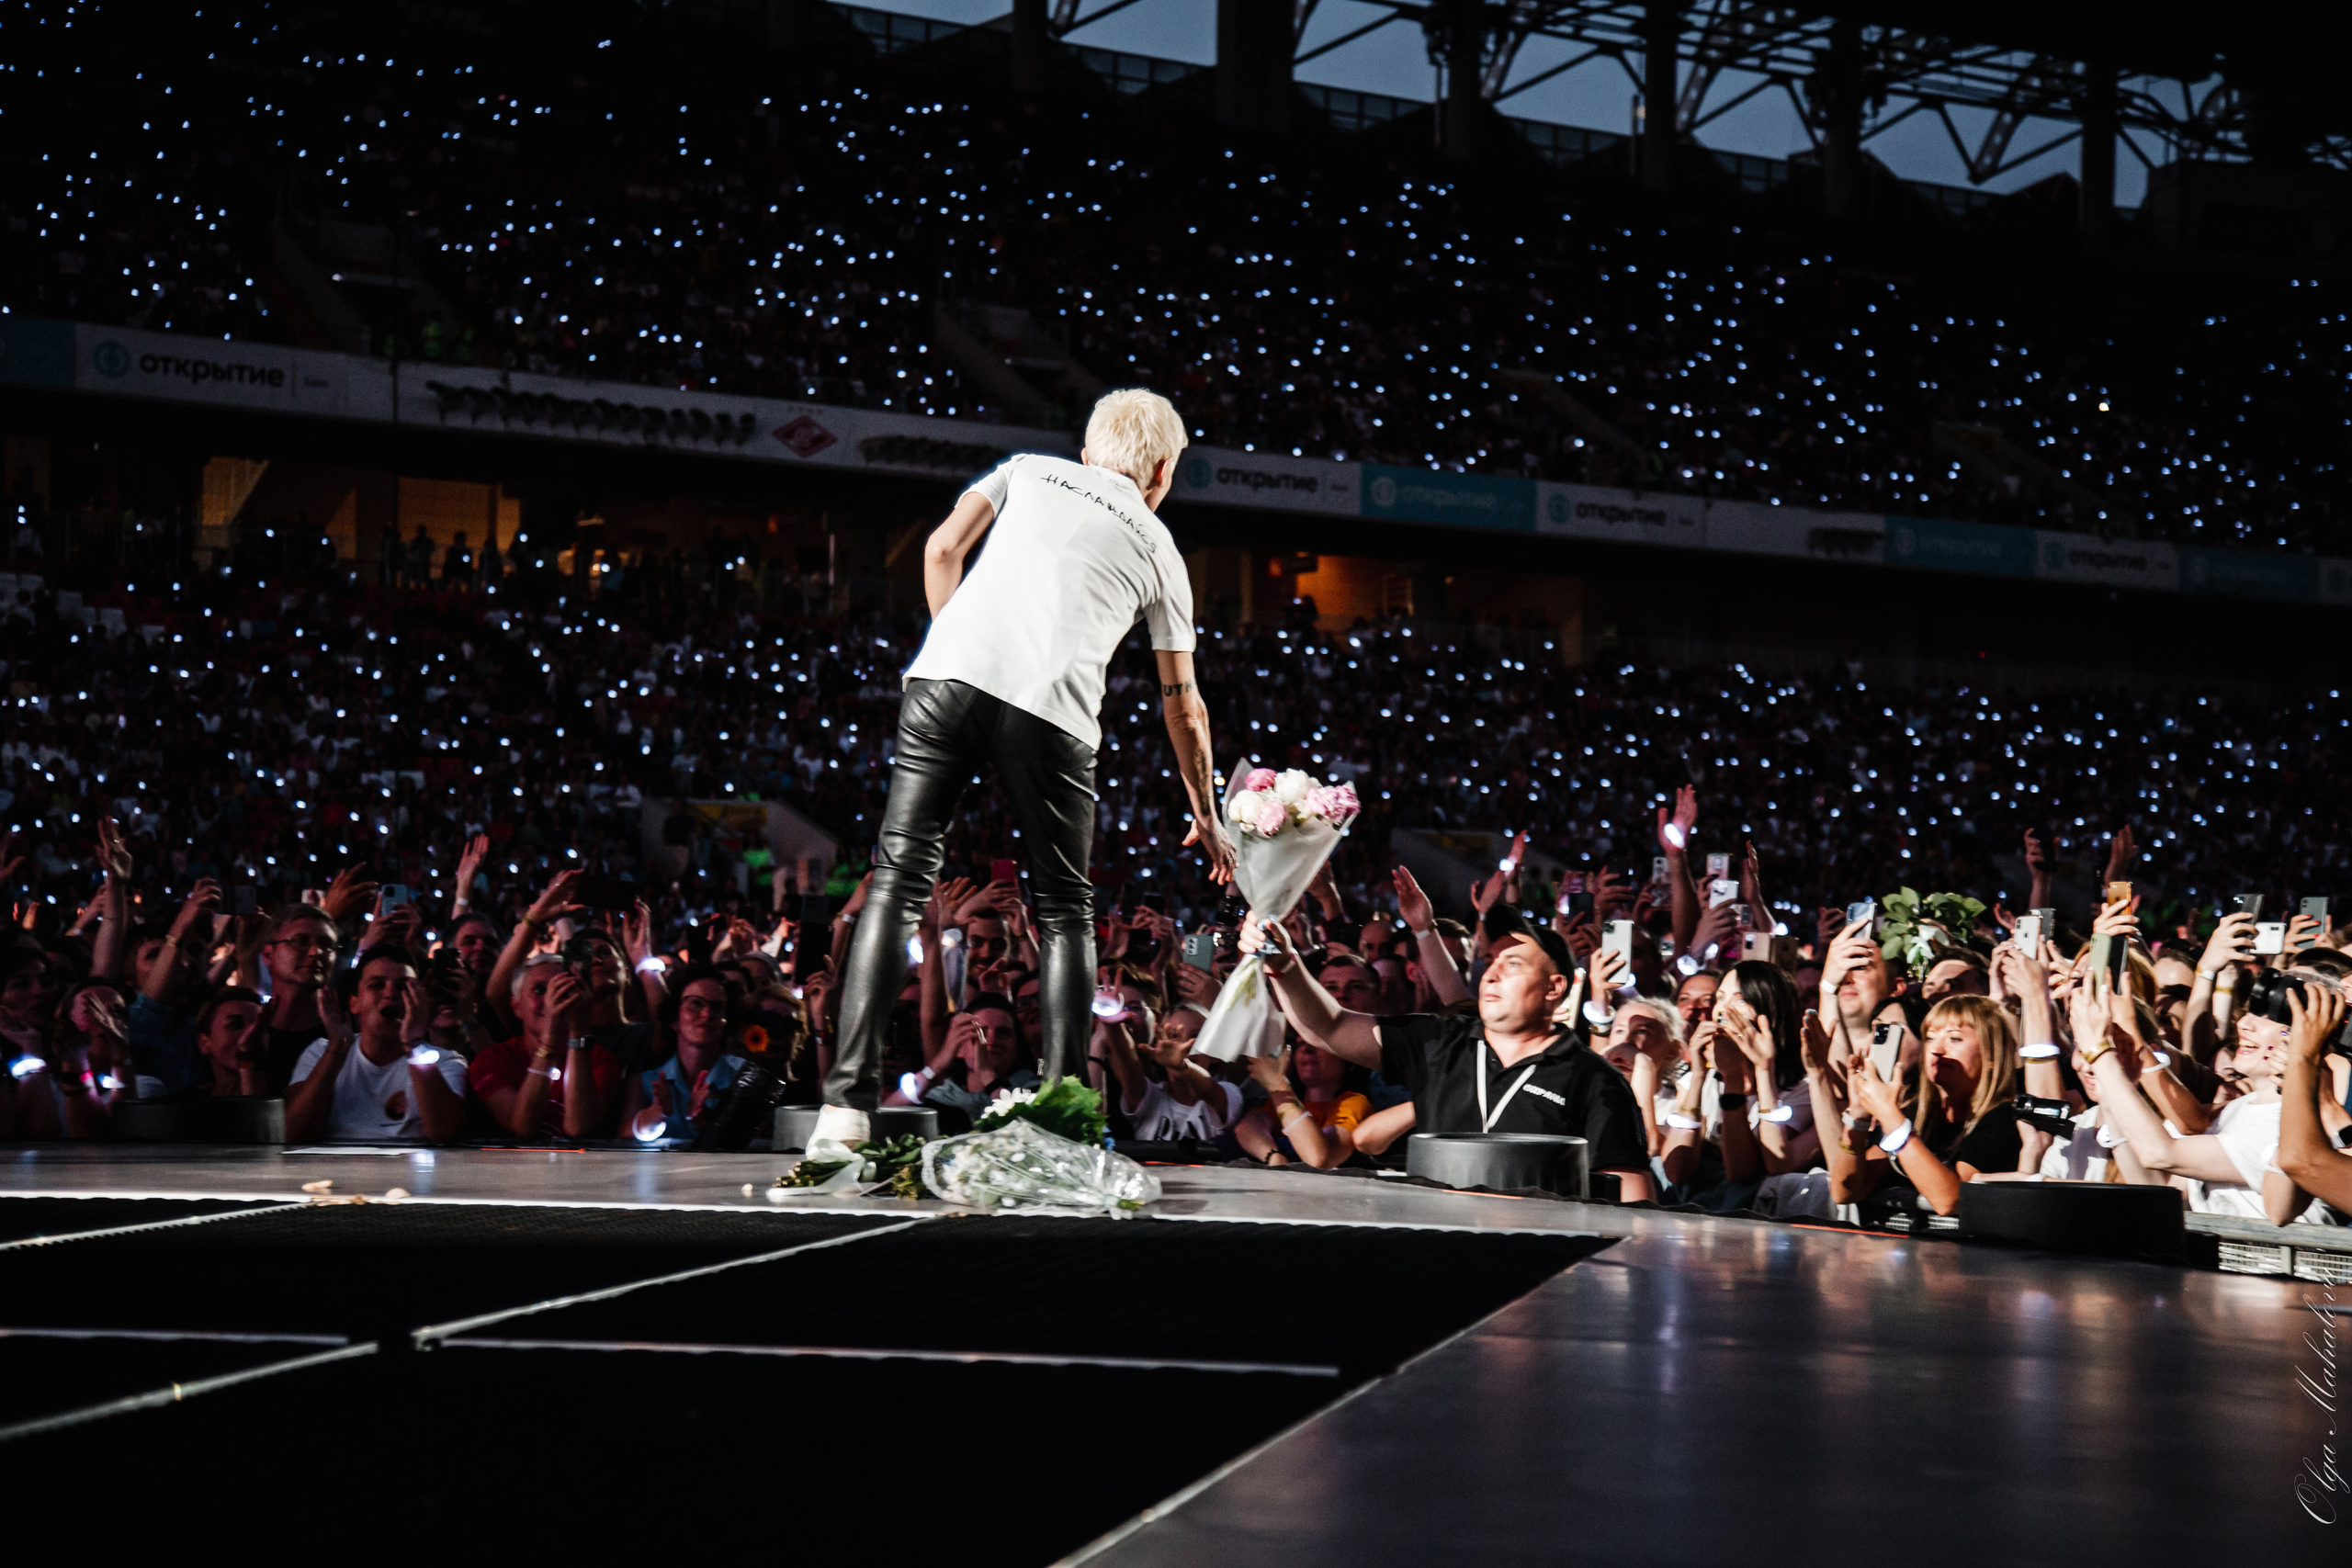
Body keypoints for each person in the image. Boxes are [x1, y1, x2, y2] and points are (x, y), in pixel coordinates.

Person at [814, 389, 1238, 1147]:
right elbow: (1184, 703)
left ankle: (844, 1108)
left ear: (1087, 451)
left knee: (901, 875)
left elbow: (941, 550)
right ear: (1163, 470)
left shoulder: (1025, 470)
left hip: (945, 680)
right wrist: (1204, 812)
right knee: (1066, 910)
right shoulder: (1161, 547)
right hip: (1051, 713)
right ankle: (1060, 1116)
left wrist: (961, 649)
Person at [1245, 916, 1654, 1200]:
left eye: (1513, 964)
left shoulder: (1595, 1080)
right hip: (1437, 1255)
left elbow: (1630, 1197)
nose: (1491, 974)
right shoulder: (1440, 1043)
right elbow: (1329, 1027)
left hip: (1538, 1272)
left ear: (1554, 987)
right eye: (1491, 963)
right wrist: (1284, 964)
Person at [1825, 992, 2024, 1217]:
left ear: (1992, 1056)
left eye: (1954, 1039)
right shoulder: (1916, 1112)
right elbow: (1846, 1192)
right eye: (1930, 1038)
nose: (1936, 1049)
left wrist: (1892, 1119)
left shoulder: (2004, 1118)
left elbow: (1950, 1200)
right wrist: (1858, 1118)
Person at [285, 945, 469, 1143]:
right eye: (377, 985)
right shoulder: (321, 1051)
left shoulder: (446, 1061)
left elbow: (444, 1133)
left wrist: (414, 1044)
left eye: (403, 987)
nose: (390, 994)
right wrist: (337, 1049)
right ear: (354, 1002)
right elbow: (293, 1133)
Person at [469, 953, 617, 1139]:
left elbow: (578, 1126)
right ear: (516, 1006)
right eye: (540, 990)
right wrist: (549, 1038)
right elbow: (522, 1127)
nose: (552, 999)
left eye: (564, 989)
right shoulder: (492, 1060)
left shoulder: (600, 1059)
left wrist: (579, 1028)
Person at [618, 964, 751, 1142]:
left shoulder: (744, 1077)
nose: (707, 1013)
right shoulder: (644, 1080)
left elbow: (756, 1141)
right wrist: (654, 1116)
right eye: (695, 1003)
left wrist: (711, 1124)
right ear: (674, 1019)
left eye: (718, 1007)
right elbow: (622, 1134)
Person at [1235, 1042, 1370, 1168]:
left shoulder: (1355, 1102)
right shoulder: (1279, 1102)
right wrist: (1273, 1155)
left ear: (1349, 1058)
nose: (1307, 1049)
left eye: (1317, 1042)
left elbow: (1317, 1158)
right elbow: (1246, 1127)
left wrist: (1277, 1085)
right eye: (1300, 1043)